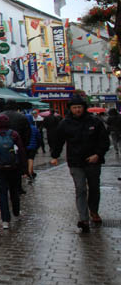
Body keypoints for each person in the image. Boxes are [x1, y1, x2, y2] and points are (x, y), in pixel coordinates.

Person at [50, 94, 111, 233]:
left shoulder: (94, 122)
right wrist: (54, 156)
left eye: (79, 107)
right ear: (70, 109)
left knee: (94, 188)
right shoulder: (65, 123)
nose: (77, 110)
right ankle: (83, 219)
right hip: (75, 161)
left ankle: (94, 211)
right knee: (81, 188)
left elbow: (104, 141)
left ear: (84, 108)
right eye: (74, 107)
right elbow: (58, 141)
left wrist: (98, 154)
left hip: (93, 161)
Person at [0, 113, 27, 229]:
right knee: (14, 191)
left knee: (2, 193)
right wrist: (23, 167)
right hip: (14, 167)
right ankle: (16, 212)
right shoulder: (14, 134)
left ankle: (5, 220)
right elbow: (21, 151)